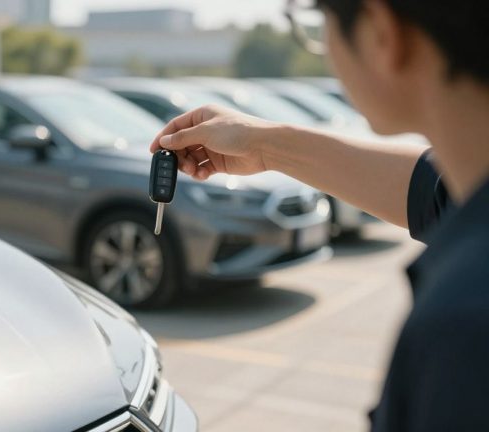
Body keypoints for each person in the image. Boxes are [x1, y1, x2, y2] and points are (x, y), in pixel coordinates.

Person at [150, 0, 489, 430]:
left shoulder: (463, 330)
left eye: (318, 23)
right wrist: (263, 145)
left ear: (381, 31)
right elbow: (430, 192)